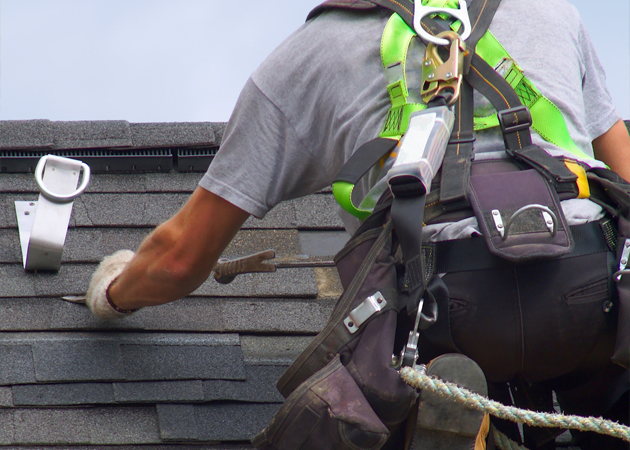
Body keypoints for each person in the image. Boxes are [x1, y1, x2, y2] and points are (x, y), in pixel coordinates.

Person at [86, 0, 630, 448]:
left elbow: (181, 257)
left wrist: (114, 292)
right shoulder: (552, 11)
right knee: (603, 372)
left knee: (339, 412)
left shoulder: (308, 58)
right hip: (588, 291)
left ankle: (438, 419)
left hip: (440, 312)